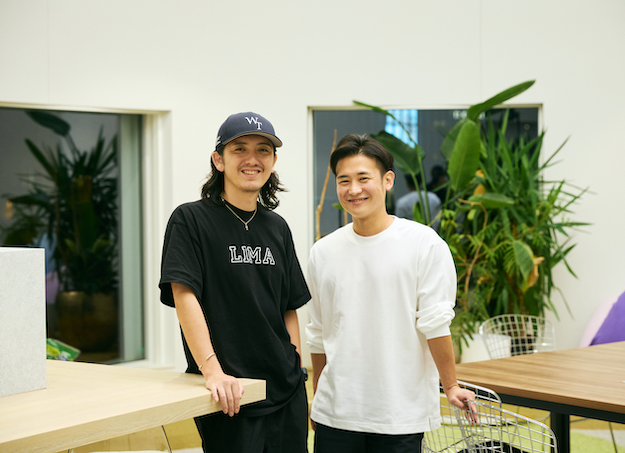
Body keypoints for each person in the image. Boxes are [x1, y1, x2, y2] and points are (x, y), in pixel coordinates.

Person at [306, 133, 476, 453]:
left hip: (399, 414)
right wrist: (319, 398)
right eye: (344, 181)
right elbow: (318, 333)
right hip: (336, 414)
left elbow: (435, 323)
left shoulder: (424, 244)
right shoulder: (323, 252)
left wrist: (451, 385)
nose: (353, 189)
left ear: (387, 181)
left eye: (363, 178)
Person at [159, 112, 311, 453]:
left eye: (263, 150)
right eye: (239, 149)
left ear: (273, 162)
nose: (252, 159)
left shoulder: (277, 227)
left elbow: (288, 305)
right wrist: (212, 372)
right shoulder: (190, 220)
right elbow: (184, 295)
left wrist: (297, 368)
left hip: (287, 391)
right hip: (230, 393)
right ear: (219, 160)